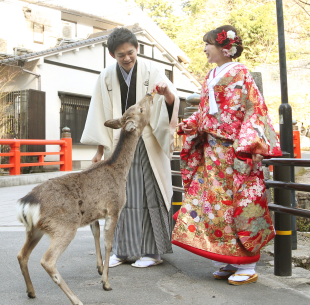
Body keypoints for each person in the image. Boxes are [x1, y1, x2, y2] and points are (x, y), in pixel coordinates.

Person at [172, 25, 281, 285]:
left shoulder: (241, 72)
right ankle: (227, 259)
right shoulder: (211, 75)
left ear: (224, 47)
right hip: (212, 152)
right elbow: (205, 111)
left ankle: (247, 264)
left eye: (207, 44)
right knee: (212, 206)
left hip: (234, 150)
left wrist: (252, 142)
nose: (204, 49)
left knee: (239, 205)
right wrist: (192, 124)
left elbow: (255, 108)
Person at [81, 27, 179, 268]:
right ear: (113, 55)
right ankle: (122, 251)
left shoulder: (151, 70)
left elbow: (169, 101)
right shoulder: (105, 76)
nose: (126, 58)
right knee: (118, 197)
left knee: (147, 194)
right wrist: (99, 151)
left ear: (137, 50)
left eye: (130, 52)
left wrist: (167, 94)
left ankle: (152, 252)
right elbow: (99, 113)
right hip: (120, 145)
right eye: (120, 54)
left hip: (147, 142)